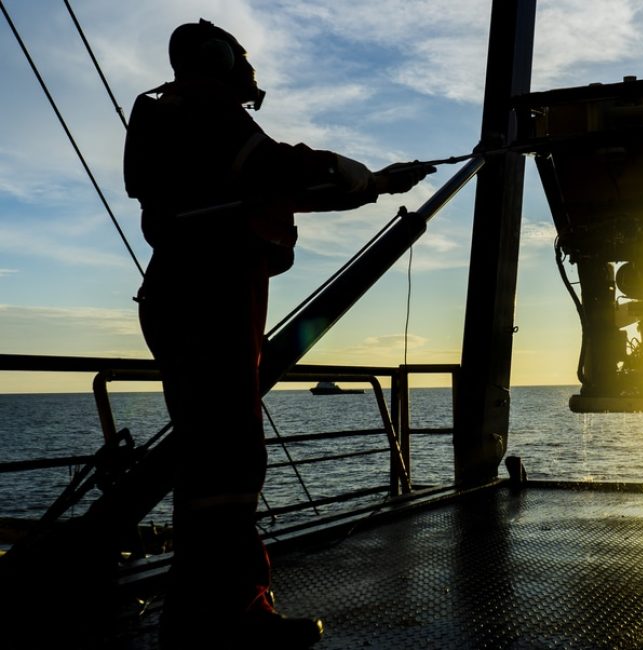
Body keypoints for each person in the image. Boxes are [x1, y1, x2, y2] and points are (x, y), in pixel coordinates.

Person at [123, 19, 434, 649]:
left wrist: (374, 184)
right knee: (230, 460)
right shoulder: (207, 113)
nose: (248, 70)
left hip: (184, 296)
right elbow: (285, 171)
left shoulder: (172, 120)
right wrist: (362, 176)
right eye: (240, 57)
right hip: (210, 299)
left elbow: (276, 187)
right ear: (214, 59)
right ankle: (234, 616)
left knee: (209, 458)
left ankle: (195, 614)